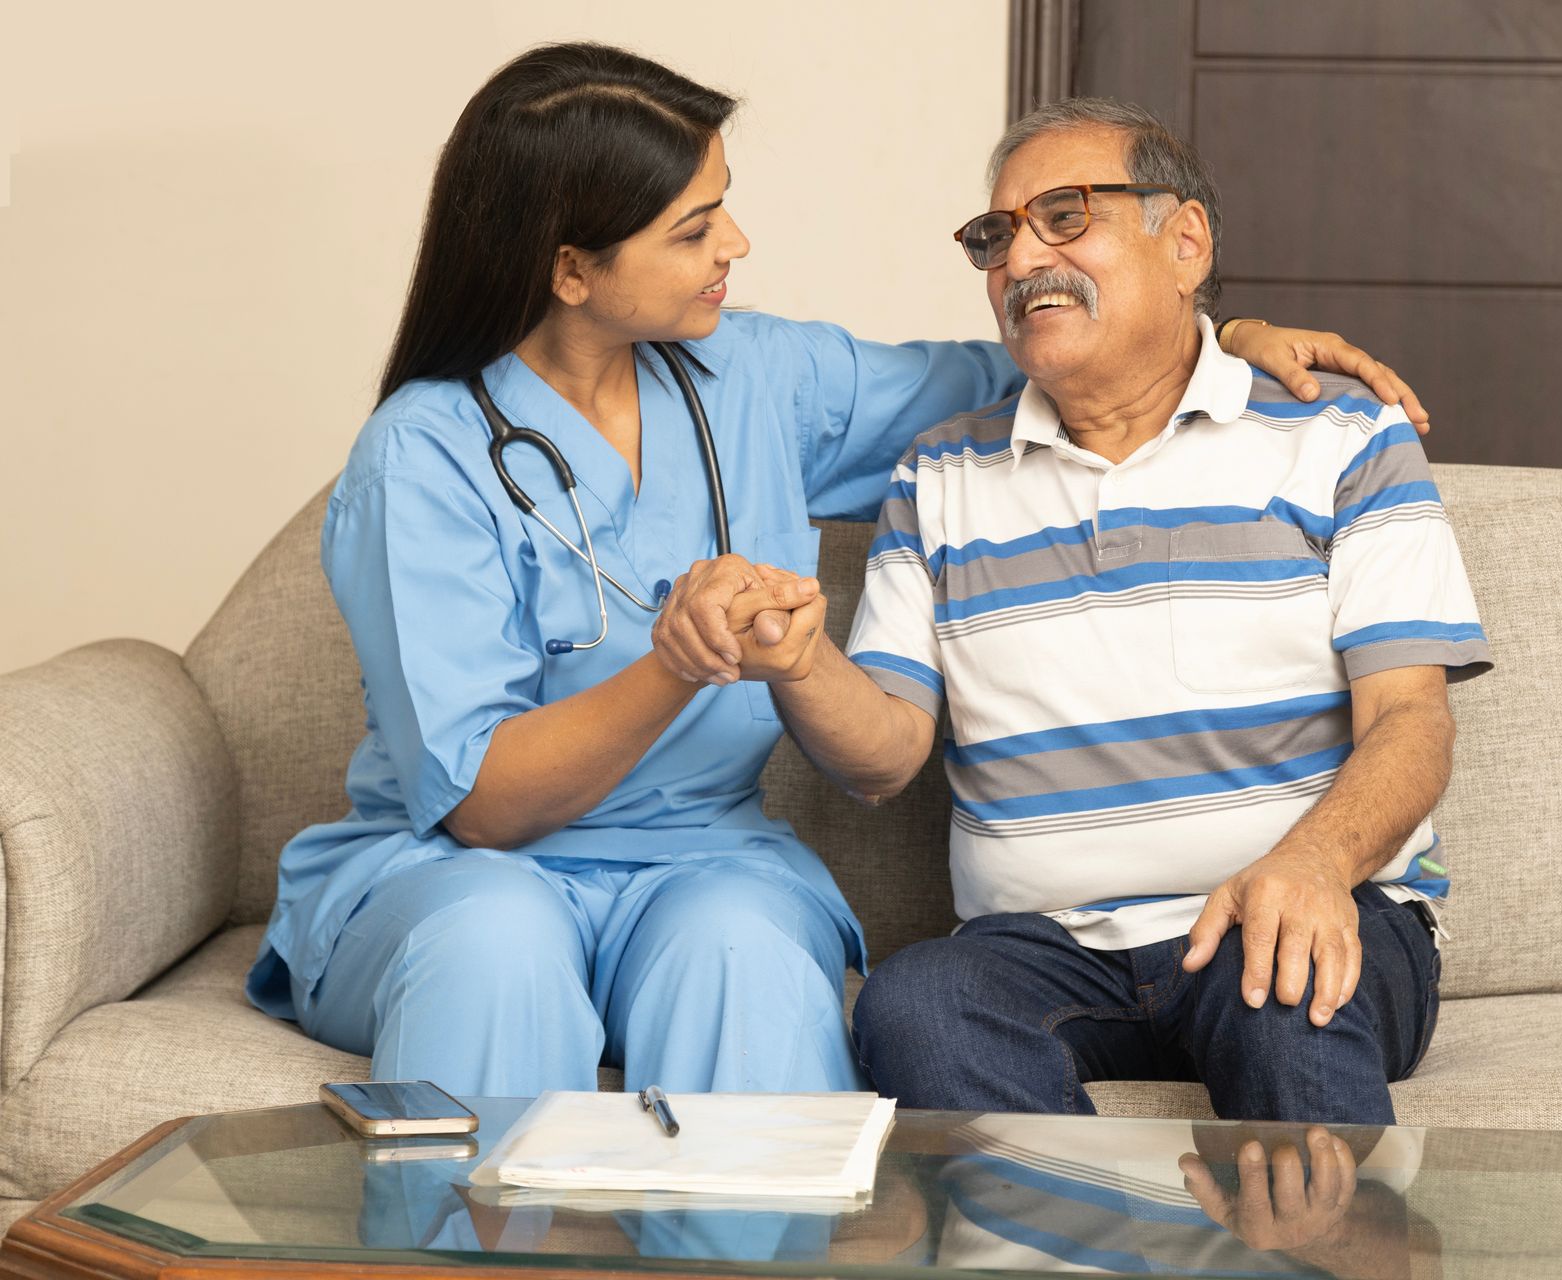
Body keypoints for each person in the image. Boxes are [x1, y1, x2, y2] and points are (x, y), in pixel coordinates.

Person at [245, 43, 1432, 1099]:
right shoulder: (422, 454)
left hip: (696, 862)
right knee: (498, 946)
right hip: (462, 869)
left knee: (748, 951)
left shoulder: (755, 375)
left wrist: (1226, 340)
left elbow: (1041, 358)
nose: (737, 246)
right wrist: (677, 661)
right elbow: (483, 800)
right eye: (694, 228)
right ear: (570, 270)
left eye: (725, 208)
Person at [768, 98, 1492, 1122]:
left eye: (1064, 216)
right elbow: (884, 754)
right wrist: (797, 660)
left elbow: (1411, 720)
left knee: (1287, 985)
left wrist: (1313, 863)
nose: (1021, 258)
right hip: (1042, 945)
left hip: (1295, 901)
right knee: (919, 1000)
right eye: (998, 234)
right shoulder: (940, 473)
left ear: (1184, 240)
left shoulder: (1343, 436)